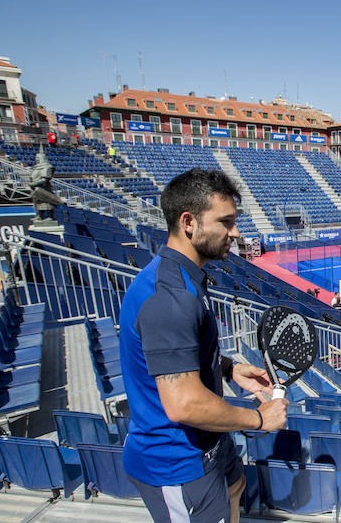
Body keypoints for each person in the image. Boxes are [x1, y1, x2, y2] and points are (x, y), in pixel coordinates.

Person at [120, 168, 289, 523]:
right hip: (176, 461)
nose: (235, 232)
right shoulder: (171, 298)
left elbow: (178, 350)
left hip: (207, 444)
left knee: (237, 484)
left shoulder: (184, 279)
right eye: (226, 222)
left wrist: (228, 368)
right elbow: (183, 404)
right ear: (189, 222)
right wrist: (259, 419)